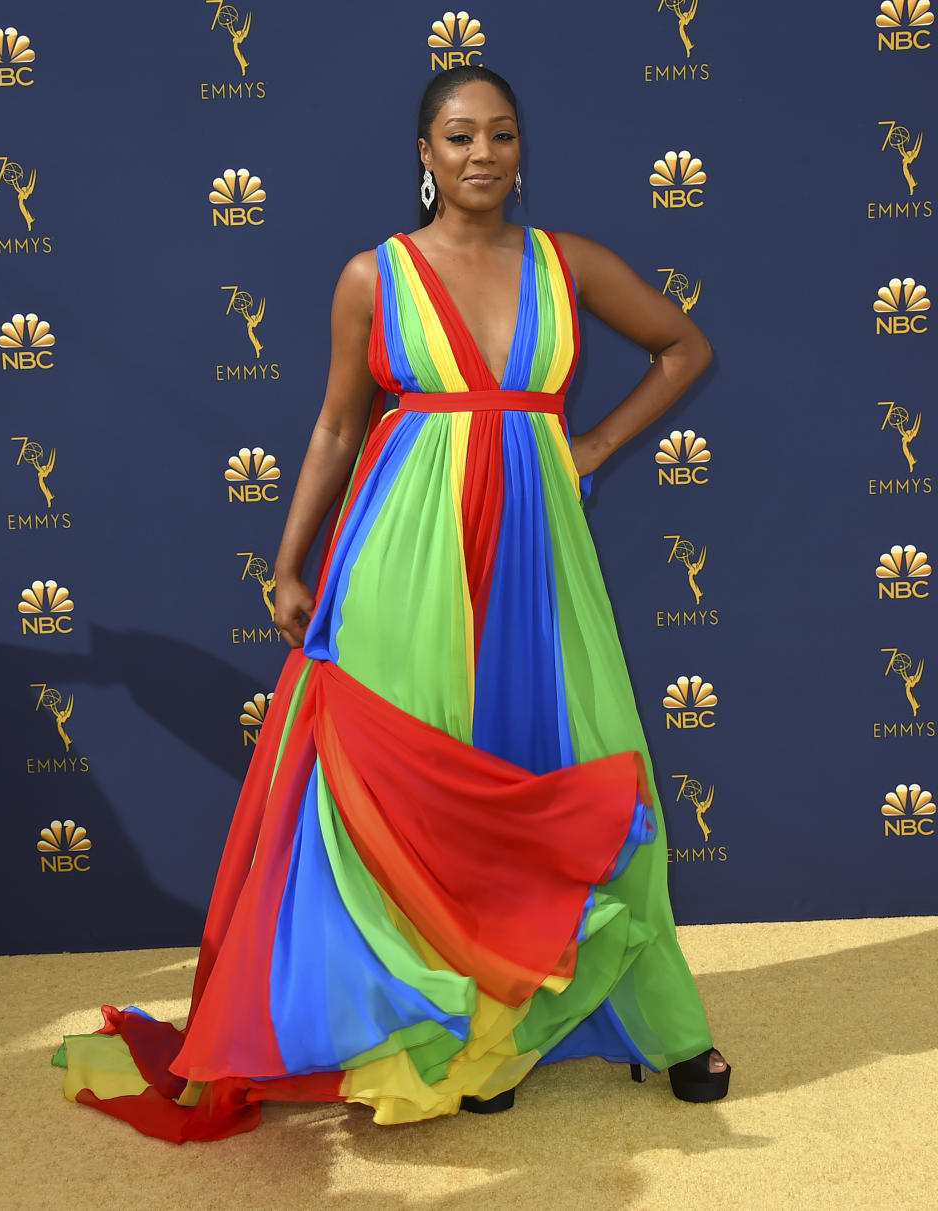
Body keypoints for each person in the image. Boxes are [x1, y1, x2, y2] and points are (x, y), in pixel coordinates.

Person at [54, 65, 729, 1142]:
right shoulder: (374, 276)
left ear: (520, 149)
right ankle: (468, 1034)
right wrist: (289, 561)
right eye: (458, 136)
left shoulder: (570, 263)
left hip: (536, 553)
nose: (481, 155)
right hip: (402, 553)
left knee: (578, 761)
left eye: (501, 135)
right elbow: (332, 426)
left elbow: (684, 346)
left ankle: (662, 1023)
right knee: (418, 779)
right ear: (425, 154)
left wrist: (590, 445)